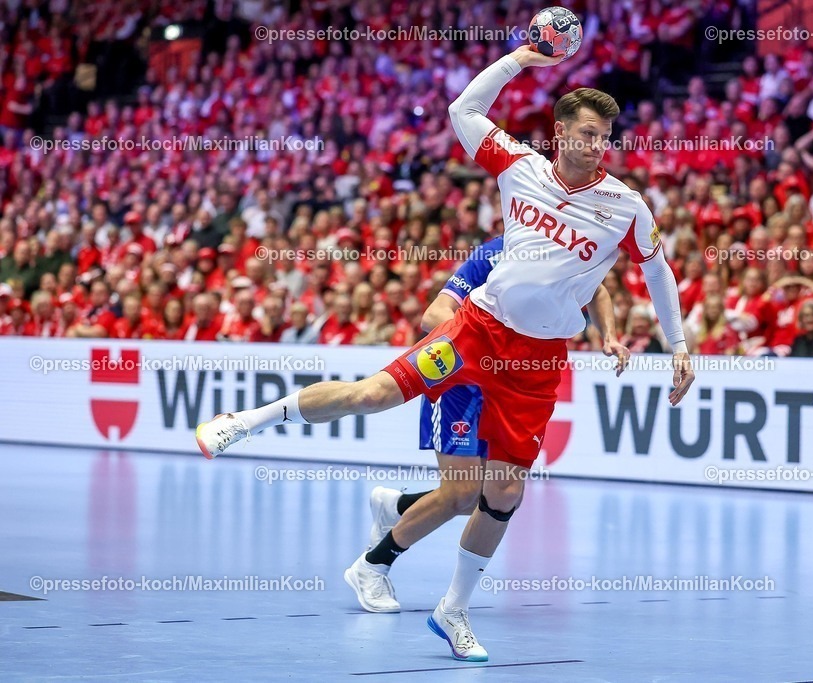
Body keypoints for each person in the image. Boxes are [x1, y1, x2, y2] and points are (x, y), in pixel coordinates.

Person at [196, 46, 696, 662]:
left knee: (504, 493)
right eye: (587, 134)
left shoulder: (627, 207)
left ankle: (453, 609)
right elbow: (464, 107)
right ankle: (245, 422)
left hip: (538, 365)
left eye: (606, 137)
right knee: (372, 394)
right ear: (561, 131)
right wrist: (524, 58)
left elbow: (658, 273)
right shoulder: (519, 164)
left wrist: (678, 345)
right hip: (477, 332)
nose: (598, 145)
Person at [346, 235, 624, 615]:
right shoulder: (496, 251)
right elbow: (433, 315)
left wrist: (609, 334)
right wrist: (490, 346)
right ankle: (371, 566)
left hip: (506, 390)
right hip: (462, 385)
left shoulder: (566, 249)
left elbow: (598, 290)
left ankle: (396, 505)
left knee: (494, 496)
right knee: (461, 495)